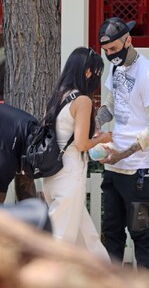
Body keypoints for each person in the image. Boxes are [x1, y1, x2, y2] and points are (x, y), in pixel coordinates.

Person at [95, 17, 149, 270]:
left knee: (141, 233)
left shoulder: (147, 73)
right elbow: (112, 106)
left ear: (128, 40)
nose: (109, 55)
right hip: (114, 168)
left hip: (140, 171)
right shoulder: (116, 69)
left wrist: (124, 154)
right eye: (106, 51)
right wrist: (97, 122)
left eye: (113, 49)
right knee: (111, 232)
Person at [42, 47, 112, 263]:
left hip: (52, 173)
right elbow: (81, 144)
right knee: (60, 241)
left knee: (87, 238)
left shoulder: (58, 96)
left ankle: (105, 278)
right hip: (70, 173)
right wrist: (103, 138)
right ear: (88, 72)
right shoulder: (82, 101)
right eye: (97, 73)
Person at [0, 103, 38, 203]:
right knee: (25, 177)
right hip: (29, 128)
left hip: (13, 136)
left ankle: (30, 216)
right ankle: (31, 216)